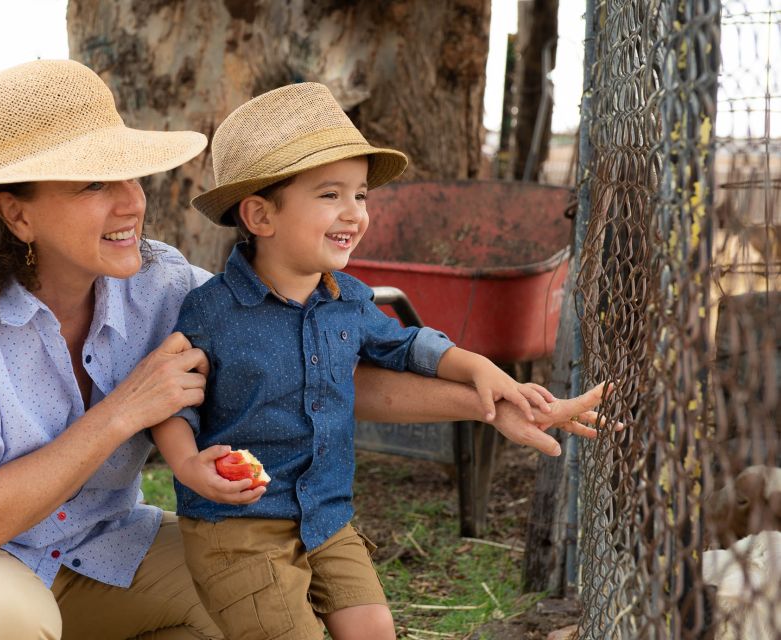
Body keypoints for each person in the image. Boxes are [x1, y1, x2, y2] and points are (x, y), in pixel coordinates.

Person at [0, 60, 607, 640]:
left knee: (271, 603)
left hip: (95, 547)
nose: (132, 201)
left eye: (131, 175)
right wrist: (122, 413)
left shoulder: (164, 284)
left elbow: (310, 364)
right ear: (16, 214)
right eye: (92, 184)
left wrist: (486, 399)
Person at [150, 82, 615, 640]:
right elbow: (173, 401)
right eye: (330, 195)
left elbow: (408, 345)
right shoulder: (211, 311)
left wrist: (479, 370)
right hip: (238, 528)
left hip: (325, 516)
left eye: (361, 195)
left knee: (374, 627)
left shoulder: (349, 298)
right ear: (260, 215)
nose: (355, 213)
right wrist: (186, 464)